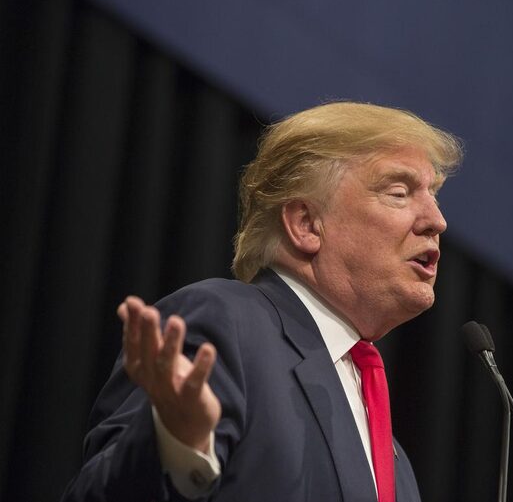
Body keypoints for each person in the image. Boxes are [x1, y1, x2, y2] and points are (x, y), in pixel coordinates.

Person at [60, 101, 463, 502]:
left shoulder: (397, 464)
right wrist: (178, 442)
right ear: (306, 224)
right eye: (399, 192)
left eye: (434, 195)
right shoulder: (227, 323)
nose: (437, 221)